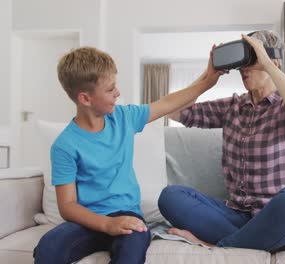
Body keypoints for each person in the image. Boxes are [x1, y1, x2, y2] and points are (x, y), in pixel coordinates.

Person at [33, 46, 223, 264]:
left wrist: (207, 82)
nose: (118, 93)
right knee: (48, 247)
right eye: (110, 89)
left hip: (126, 216)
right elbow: (67, 206)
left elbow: (167, 103)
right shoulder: (64, 145)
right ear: (85, 99)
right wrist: (106, 224)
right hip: (87, 221)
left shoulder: (123, 118)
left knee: (133, 249)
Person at [158, 30, 285, 252]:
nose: (243, 68)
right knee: (171, 197)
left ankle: (216, 246)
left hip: (284, 213)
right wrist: (207, 79)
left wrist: (268, 63)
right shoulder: (232, 107)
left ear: (271, 61)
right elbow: (174, 111)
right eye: (242, 63)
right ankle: (270, 240)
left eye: (251, 60)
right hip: (238, 216)